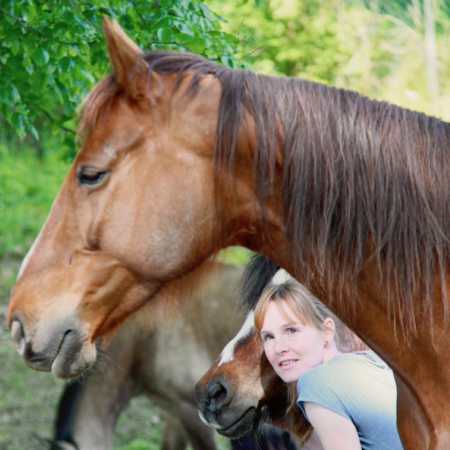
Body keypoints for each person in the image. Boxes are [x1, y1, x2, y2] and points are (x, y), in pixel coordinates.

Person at [254, 274, 404, 450]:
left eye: (291, 330)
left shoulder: (317, 383)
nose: (279, 348)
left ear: (327, 330)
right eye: (268, 337)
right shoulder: (371, 362)